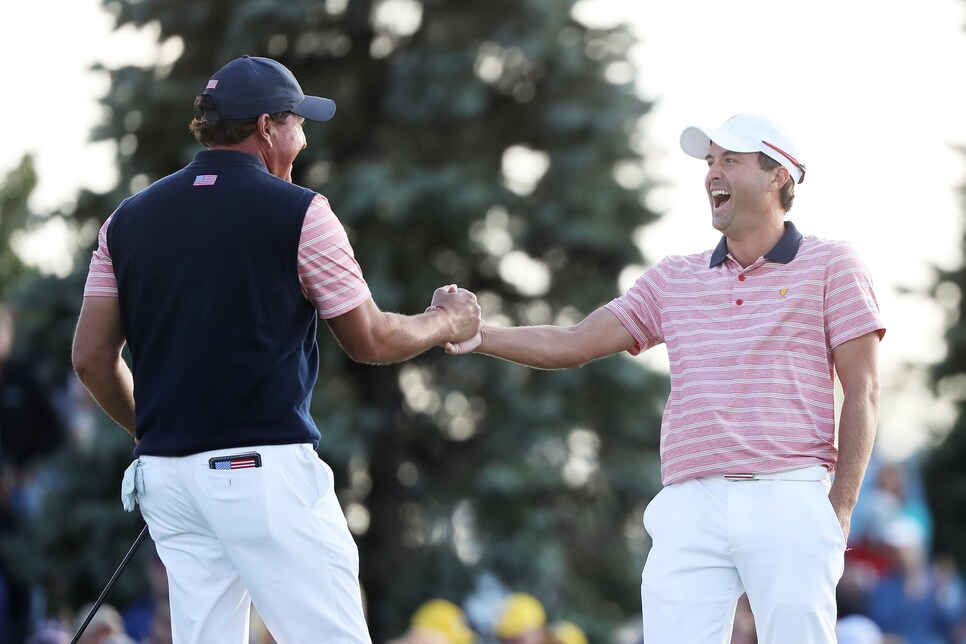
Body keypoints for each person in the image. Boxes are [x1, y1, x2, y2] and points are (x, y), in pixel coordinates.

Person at [71, 55, 481, 644]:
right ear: (267, 128)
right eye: (298, 123)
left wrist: (158, 433)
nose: (305, 137)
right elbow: (371, 339)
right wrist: (444, 320)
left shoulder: (126, 220)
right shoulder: (301, 213)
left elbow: (90, 358)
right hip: (261, 474)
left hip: (167, 481)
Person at [445, 113, 885, 644]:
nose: (711, 174)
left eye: (730, 160)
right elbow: (575, 342)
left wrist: (838, 510)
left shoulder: (832, 265)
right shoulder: (674, 277)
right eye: (710, 162)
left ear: (778, 177)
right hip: (690, 502)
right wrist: (480, 335)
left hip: (789, 496)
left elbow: (863, 391)